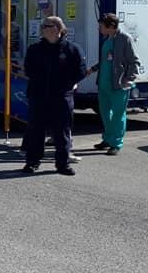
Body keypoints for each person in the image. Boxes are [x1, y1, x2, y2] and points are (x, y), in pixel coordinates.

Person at [22, 16, 87, 176]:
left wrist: (66, 84)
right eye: (43, 26)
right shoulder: (35, 49)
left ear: (58, 29)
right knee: (36, 130)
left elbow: (81, 71)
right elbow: (28, 69)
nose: (42, 28)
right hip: (38, 96)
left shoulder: (72, 49)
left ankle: (62, 164)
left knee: (61, 132)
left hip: (61, 97)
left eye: (46, 25)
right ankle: (32, 162)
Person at [88, 13, 140, 156]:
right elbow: (106, 60)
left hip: (119, 85)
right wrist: (93, 69)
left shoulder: (125, 38)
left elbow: (134, 62)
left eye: (101, 26)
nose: (99, 28)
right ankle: (107, 139)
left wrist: (128, 79)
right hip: (104, 84)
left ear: (111, 26)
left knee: (118, 115)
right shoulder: (108, 39)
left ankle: (116, 143)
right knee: (105, 113)